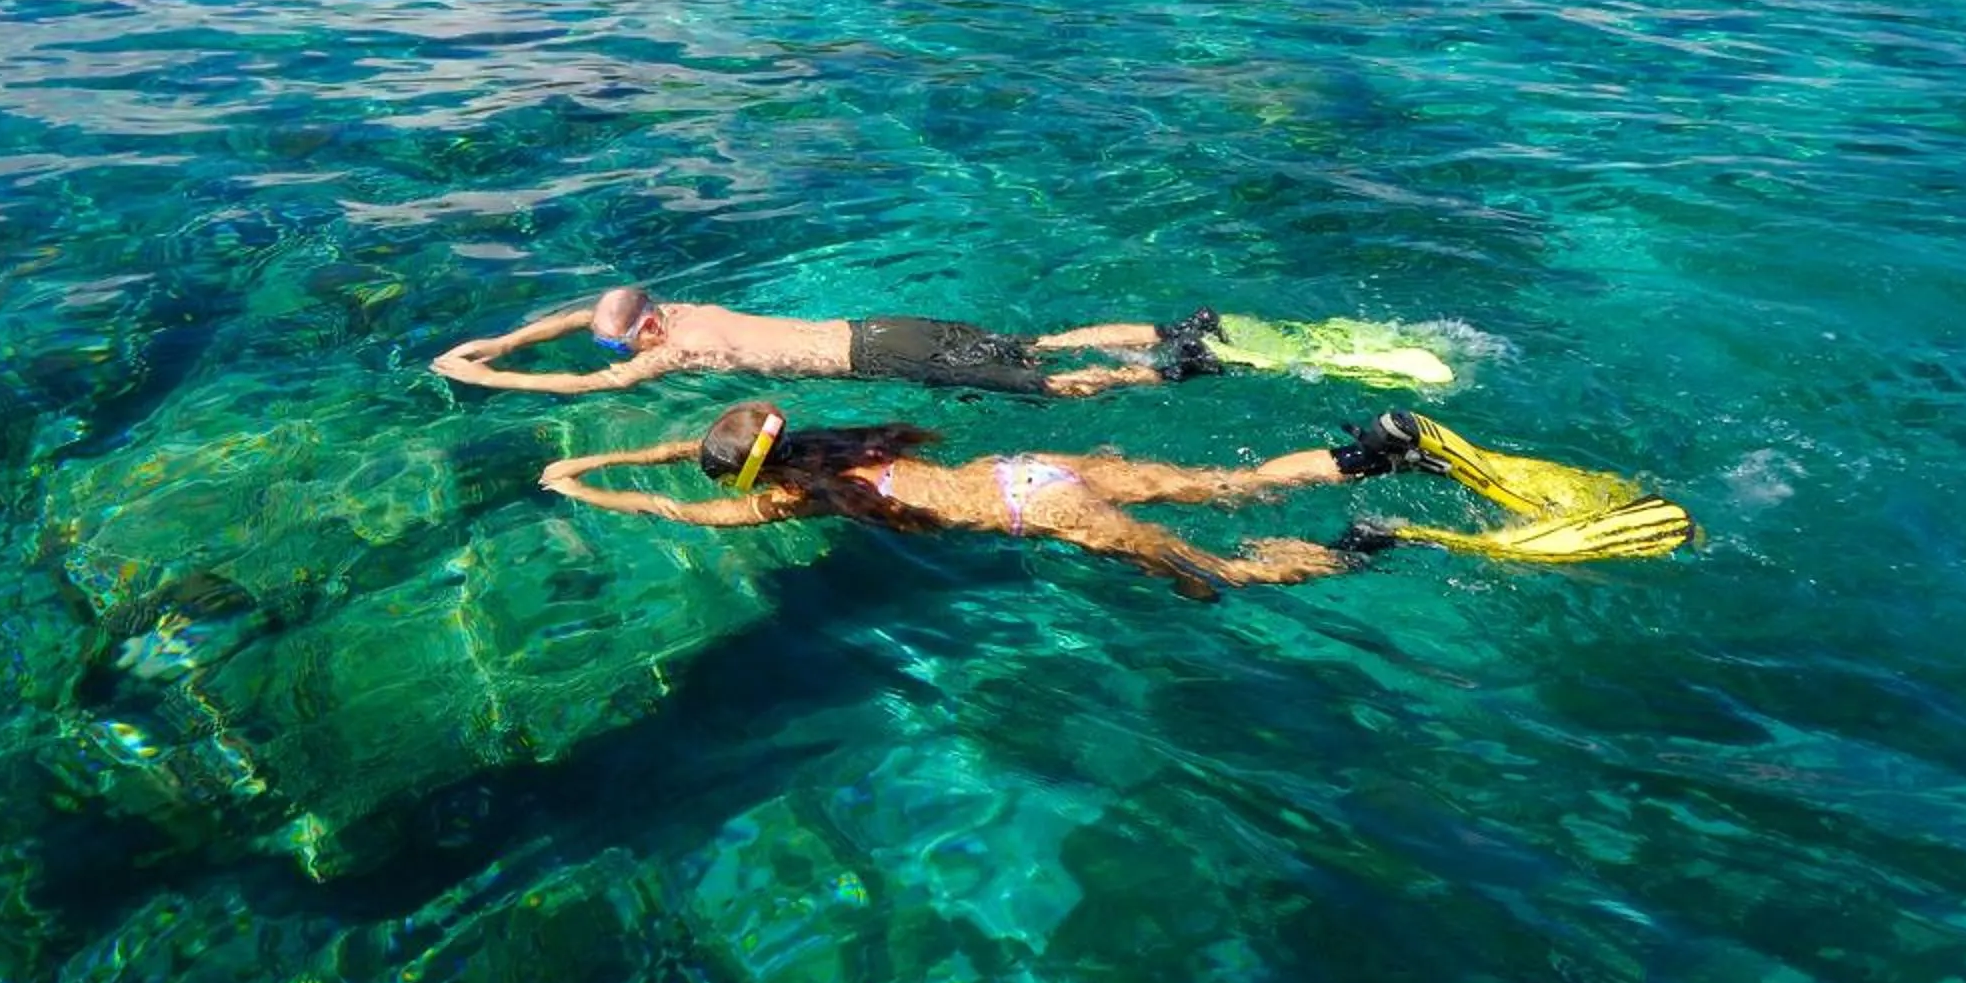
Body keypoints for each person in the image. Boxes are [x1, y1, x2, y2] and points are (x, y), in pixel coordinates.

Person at [534, 401, 1456, 596]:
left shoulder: (797, 498)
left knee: (1210, 572)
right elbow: (708, 456)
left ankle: (1363, 544)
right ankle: (1372, 452)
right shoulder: (836, 443)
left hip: (1043, 514)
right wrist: (634, 447)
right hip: (1039, 468)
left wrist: (584, 483)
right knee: (1236, 485)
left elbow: (678, 511)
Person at [436, 285, 1224, 399]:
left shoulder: (681, 347)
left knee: (1041, 384)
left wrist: (485, 378)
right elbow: (584, 316)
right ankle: (1173, 329)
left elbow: (589, 386)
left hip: (879, 357)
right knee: (1038, 342)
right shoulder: (670, 309)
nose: (620, 355)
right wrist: (503, 340)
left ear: (645, 333)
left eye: (623, 346)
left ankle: (1171, 371)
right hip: (881, 324)